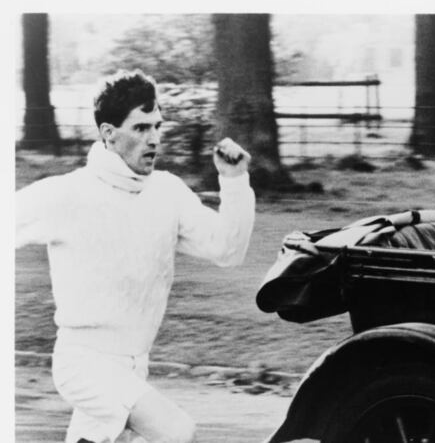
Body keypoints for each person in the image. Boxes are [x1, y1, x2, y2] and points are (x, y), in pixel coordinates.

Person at [15, 70, 256, 443]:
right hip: (84, 363)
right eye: (141, 128)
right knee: (176, 430)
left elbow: (227, 250)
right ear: (109, 133)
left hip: (133, 366)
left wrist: (235, 181)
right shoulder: (67, 195)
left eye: (157, 127)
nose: (154, 140)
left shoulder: (168, 192)